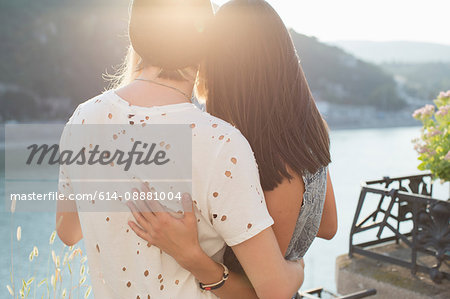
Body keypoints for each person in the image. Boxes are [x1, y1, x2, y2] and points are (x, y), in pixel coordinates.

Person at [56, 0, 305, 298]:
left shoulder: (84, 118)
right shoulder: (220, 143)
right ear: (205, 44)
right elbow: (274, 291)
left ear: (137, 37)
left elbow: (67, 232)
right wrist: (297, 267)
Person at [127, 0, 337, 298]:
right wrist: (293, 262)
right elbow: (328, 226)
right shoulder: (309, 134)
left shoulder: (260, 157)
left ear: (222, 67)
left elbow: (263, 289)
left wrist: (193, 257)